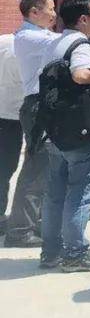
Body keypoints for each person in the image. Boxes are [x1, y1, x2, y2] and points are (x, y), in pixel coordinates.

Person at [39, 0, 90, 272]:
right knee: (81, 194)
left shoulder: (55, 42)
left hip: (55, 129)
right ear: (83, 19)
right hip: (81, 131)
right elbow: (80, 75)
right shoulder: (81, 44)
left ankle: (51, 252)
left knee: (55, 194)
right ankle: (75, 254)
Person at [5, 0, 59, 248]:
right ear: (34, 12)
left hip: (41, 107)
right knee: (36, 168)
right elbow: (68, 42)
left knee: (44, 167)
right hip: (36, 108)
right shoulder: (29, 37)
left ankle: (34, 221)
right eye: (51, 9)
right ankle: (20, 231)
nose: (54, 14)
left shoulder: (40, 35)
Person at [0, 33, 25, 237]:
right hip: (13, 114)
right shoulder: (33, 46)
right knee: (6, 167)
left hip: (10, 113)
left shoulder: (3, 40)